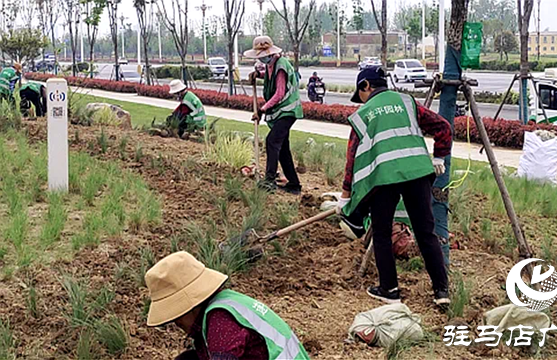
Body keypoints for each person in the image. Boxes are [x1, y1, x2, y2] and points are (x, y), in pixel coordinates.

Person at [338, 67, 452, 307]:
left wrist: (345, 195)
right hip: (418, 173)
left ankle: (389, 289)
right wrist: (439, 157)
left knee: (381, 233)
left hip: (384, 178)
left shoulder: (364, 113)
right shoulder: (407, 102)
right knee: (425, 232)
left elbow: (352, 154)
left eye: (360, 92)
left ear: (366, 86)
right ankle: (442, 292)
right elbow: (443, 127)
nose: (361, 99)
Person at [145, 251, 310, 360]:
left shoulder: (220, 322)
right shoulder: (226, 303)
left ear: (191, 305)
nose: (176, 323)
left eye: (177, 316)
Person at [245, 36, 303, 195]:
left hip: (288, 111)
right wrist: (258, 75)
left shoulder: (281, 65)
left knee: (272, 141)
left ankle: (269, 180)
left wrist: (261, 110)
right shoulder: (272, 64)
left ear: (271, 53)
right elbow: (272, 78)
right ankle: (294, 184)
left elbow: (279, 93)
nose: (262, 58)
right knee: (282, 148)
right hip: (282, 112)